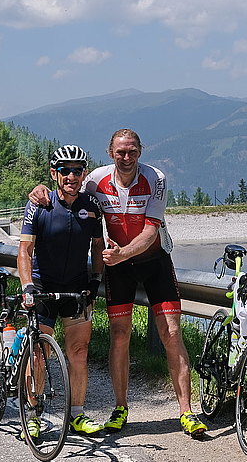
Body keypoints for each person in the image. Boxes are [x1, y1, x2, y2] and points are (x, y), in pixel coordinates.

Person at [30, 129, 207, 438]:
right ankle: (121, 407)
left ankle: (186, 412)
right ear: (111, 153)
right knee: (120, 334)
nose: (127, 157)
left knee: (171, 333)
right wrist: (39, 189)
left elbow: (151, 231)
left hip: (154, 261)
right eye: (121, 152)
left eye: (132, 152)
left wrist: (123, 253)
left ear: (141, 151)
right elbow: (67, 186)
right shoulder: (95, 179)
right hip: (118, 267)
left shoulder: (155, 178)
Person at [18, 144, 106, 438]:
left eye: (77, 171)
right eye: (64, 170)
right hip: (43, 287)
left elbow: (98, 245)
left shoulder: (92, 206)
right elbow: (25, 250)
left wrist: (95, 281)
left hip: (77, 288)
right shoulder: (39, 204)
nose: (71, 176)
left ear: (84, 174)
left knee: (79, 353)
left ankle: (77, 415)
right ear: (54, 173)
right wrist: (27, 286)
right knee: (39, 352)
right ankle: (33, 414)